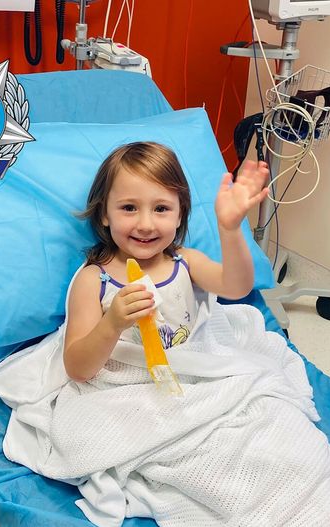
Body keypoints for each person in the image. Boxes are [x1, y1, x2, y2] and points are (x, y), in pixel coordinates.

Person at [64, 141, 269, 382]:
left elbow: (237, 287)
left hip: (190, 374)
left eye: (161, 208)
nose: (146, 225)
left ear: (180, 215)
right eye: (129, 207)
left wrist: (230, 229)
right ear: (104, 214)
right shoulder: (94, 280)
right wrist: (111, 324)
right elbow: (77, 370)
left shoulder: (185, 262)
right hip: (126, 386)